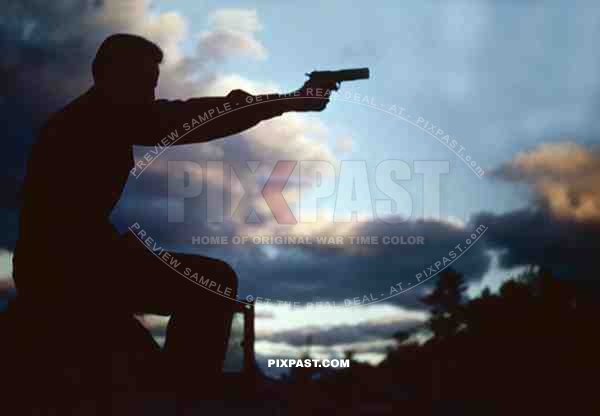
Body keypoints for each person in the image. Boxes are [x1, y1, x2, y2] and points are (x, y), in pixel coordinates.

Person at [12, 33, 336, 397]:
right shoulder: (88, 122)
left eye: (152, 85)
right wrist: (291, 101)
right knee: (212, 281)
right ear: (104, 74)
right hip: (66, 268)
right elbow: (193, 117)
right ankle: (186, 398)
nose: (149, 95)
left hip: (70, 262)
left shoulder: (96, 118)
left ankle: (177, 391)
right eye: (140, 83)